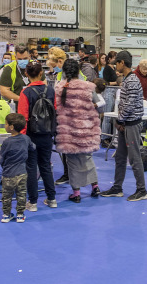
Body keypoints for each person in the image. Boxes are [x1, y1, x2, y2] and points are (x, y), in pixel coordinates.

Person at [100, 51, 147, 201]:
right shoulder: (128, 79)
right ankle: (117, 187)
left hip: (131, 124)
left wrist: (120, 120)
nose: (115, 67)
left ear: (122, 63)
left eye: (116, 63)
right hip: (125, 123)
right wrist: (121, 121)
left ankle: (142, 190)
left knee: (134, 158)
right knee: (120, 157)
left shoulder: (132, 80)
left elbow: (129, 104)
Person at [54, 59, 101, 203]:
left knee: (72, 161)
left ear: (64, 71)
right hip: (86, 129)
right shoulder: (88, 86)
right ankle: (95, 187)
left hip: (69, 131)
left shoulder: (60, 87)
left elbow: (56, 108)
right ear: (78, 71)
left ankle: (76, 192)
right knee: (87, 158)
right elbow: (98, 103)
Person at [17, 61, 57, 211]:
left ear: (26, 74)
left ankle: (32, 202)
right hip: (47, 134)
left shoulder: (25, 93)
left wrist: (22, 138)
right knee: (46, 165)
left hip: (31, 135)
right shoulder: (51, 90)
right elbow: (55, 111)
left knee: (31, 168)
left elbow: (23, 117)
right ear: (41, 73)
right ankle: (52, 199)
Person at [0, 113, 35, 223]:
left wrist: (4, 166)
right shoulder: (26, 139)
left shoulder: (6, 142)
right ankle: (20, 214)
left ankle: (6, 214)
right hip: (22, 173)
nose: (4, 126)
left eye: (5, 124)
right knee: (22, 195)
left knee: (6, 196)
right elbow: (33, 147)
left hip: (8, 174)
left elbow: (1, 157)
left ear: (11, 127)